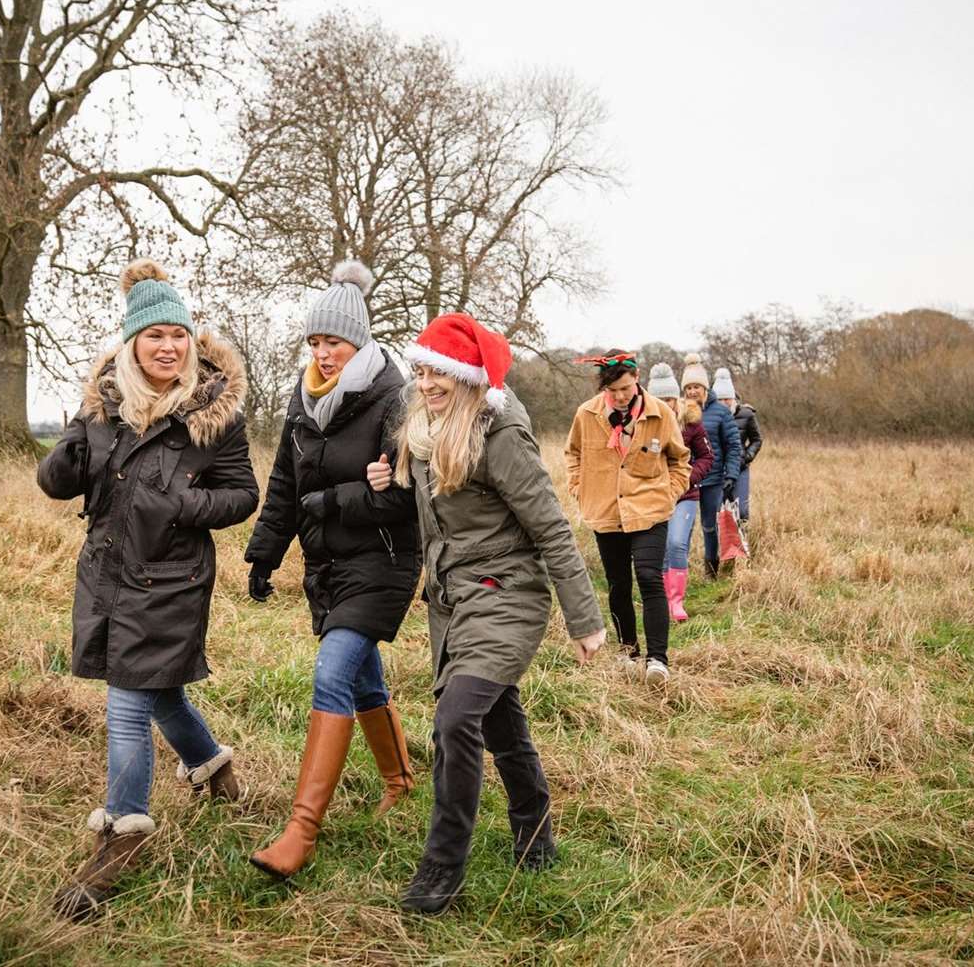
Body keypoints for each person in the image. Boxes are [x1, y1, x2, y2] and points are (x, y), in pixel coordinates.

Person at [37, 259, 260, 921]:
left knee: (129, 703)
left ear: (192, 341)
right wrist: (68, 451)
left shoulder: (213, 416)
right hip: (106, 575)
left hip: (171, 578)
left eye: (178, 335)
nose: (167, 346)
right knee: (158, 691)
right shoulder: (102, 409)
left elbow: (242, 495)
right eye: (153, 335)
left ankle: (119, 837)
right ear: (132, 343)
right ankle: (216, 775)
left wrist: (180, 506)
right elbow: (56, 485)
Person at [370, 312, 605, 915]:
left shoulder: (500, 436)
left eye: (438, 374)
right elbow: (440, 512)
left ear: (469, 379)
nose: (425, 384)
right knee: (497, 717)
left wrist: (584, 619)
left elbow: (552, 529)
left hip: (508, 592)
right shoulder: (424, 433)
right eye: (420, 372)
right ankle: (535, 830)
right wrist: (390, 483)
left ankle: (442, 867)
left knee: (454, 719)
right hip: (452, 601)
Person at [244, 261, 421, 880]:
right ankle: (400, 779)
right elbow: (287, 483)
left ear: (361, 341)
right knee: (364, 679)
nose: (322, 354)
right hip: (327, 565)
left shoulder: (395, 399)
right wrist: (265, 552)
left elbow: (407, 495)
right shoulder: (303, 398)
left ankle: (301, 832)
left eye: (334, 342)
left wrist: (332, 502)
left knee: (332, 672)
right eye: (315, 342)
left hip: (383, 559)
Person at [564, 351, 689, 681]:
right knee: (618, 584)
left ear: (637, 379)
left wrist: (670, 491)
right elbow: (573, 454)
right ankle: (628, 652)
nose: (620, 396)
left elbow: (680, 460)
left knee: (649, 577)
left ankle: (658, 660)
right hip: (605, 510)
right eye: (613, 390)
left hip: (650, 510)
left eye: (625, 388)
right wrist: (580, 486)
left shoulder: (660, 413)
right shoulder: (586, 414)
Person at [655, 361, 713, 621]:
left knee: (677, 543)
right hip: (656, 495)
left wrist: (690, 478)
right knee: (662, 548)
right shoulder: (647, 422)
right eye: (659, 399)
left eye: (669, 398)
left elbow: (706, 457)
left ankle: (676, 601)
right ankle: (662, 599)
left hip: (686, 495)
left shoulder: (691, 422)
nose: (666, 403)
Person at [675, 354, 741, 579]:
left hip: (713, 480)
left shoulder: (721, 412)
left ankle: (710, 571)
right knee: (684, 527)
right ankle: (679, 570)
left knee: (709, 526)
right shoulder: (679, 413)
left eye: (697, 386)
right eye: (689, 387)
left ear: (705, 388)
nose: (693, 391)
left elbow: (733, 446)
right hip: (685, 479)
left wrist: (731, 475)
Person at [714, 369, 763, 525]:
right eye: (719, 399)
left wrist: (746, 456)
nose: (723, 403)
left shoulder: (747, 414)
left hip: (740, 468)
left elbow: (757, 439)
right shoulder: (709, 415)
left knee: (742, 512)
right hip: (717, 471)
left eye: (727, 398)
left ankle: (742, 544)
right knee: (718, 512)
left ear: (733, 397)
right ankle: (723, 546)